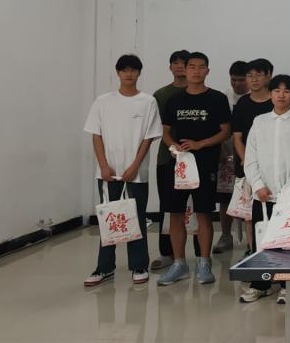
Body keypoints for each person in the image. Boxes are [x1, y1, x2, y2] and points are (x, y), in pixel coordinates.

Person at [83, 54, 162, 287]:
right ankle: (104, 267)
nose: (129, 74)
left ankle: (139, 265)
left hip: (136, 173)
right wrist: (103, 165)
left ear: (139, 73)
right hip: (107, 173)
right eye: (124, 70)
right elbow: (96, 135)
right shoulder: (102, 101)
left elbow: (149, 138)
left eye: (133, 70)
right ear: (118, 73)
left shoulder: (148, 102)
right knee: (109, 219)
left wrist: (135, 166)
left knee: (136, 217)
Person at [158, 52, 232, 286]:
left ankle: (204, 263)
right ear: (185, 70)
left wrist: (201, 144)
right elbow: (165, 131)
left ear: (207, 71)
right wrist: (173, 147)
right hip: (179, 165)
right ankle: (179, 264)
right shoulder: (174, 100)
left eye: (201, 67)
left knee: (203, 213)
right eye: (192, 67)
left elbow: (225, 131)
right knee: (176, 213)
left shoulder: (217, 98)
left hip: (205, 163)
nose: (196, 71)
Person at [239, 75, 290, 303]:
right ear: (270, 94)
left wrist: (289, 190)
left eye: (286, 91)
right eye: (277, 90)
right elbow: (250, 158)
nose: (281, 95)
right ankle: (260, 284)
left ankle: (286, 285)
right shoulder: (260, 122)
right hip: (262, 195)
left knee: (287, 243)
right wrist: (258, 185)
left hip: (289, 197)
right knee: (262, 240)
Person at [230, 58, 275, 255]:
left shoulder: (275, 101)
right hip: (248, 165)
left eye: (258, 75)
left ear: (269, 76)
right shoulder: (243, 103)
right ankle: (252, 249)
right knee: (249, 212)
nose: (254, 79)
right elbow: (237, 137)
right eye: (250, 75)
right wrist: (247, 161)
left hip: (273, 164)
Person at [151, 50, 190, 271]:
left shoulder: (200, 92)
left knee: (196, 208)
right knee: (167, 207)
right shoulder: (160, 94)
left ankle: (198, 253)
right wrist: (173, 147)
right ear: (170, 67)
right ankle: (166, 252)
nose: (179, 66)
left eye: (184, 63)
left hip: (195, 158)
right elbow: (156, 126)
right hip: (167, 158)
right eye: (175, 63)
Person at [214, 60, 248, 254]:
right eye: (233, 80)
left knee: (250, 195)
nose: (237, 84)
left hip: (247, 153)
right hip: (226, 152)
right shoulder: (223, 97)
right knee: (225, 196)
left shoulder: (255, 97)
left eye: (241, 80)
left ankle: (252, 240)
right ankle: (226, 235)